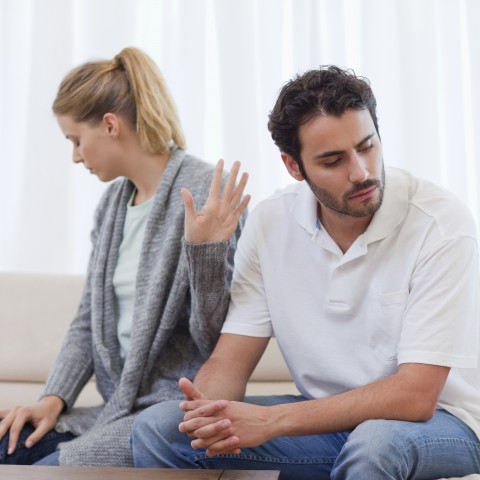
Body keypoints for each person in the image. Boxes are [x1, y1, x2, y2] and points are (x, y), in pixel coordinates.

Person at [130, 65, 480, 479]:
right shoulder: (270, 224)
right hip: (328, 422)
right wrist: (208, 411)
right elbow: (231, 360)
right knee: (162, 428)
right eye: (332, 161)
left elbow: (417, 396)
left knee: (375, 445)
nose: (361, 172)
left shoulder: (439, 222)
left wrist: (273, 422)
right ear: (294, 166)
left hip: (446, 423)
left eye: (367, 146)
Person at [0, 47, 249, 467]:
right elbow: (88, 319)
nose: (76, 155)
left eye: (76, 140)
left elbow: (216, 337)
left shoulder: (205, 190)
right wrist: (53, 398)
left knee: (45, 471)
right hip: (112, 407)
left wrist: (205, 252)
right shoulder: (113, 205)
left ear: (110, 125)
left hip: (164, 411)